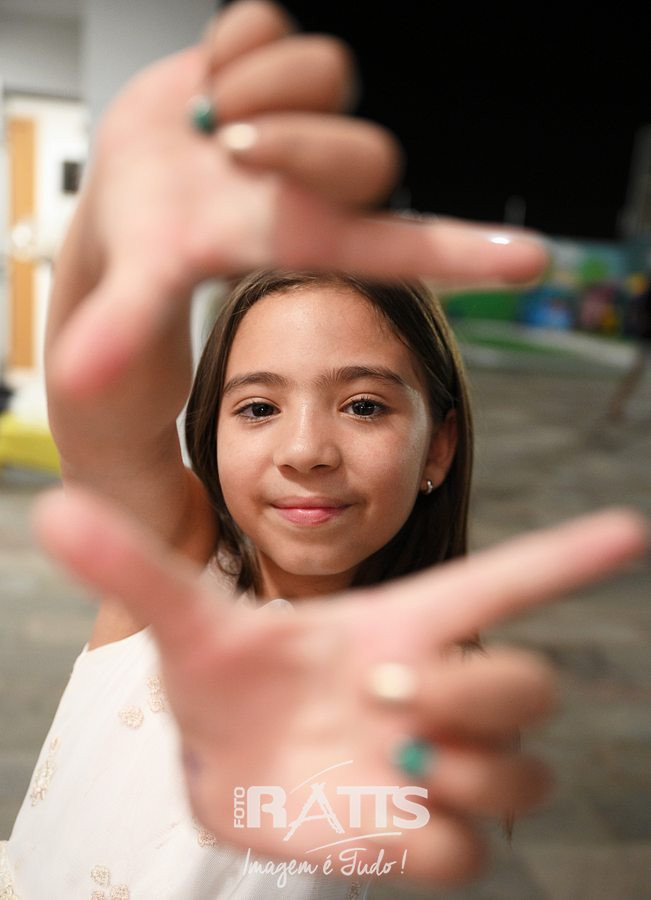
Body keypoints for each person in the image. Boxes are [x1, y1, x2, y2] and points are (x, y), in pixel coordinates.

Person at [0, 2, 647, 897]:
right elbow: (102, 406)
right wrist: (121, 217)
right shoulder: (174, 567)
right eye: (258, 407)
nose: (306, 450)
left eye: (364, 406)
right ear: (207, 428)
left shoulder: (435, 692)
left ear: (437, 447)